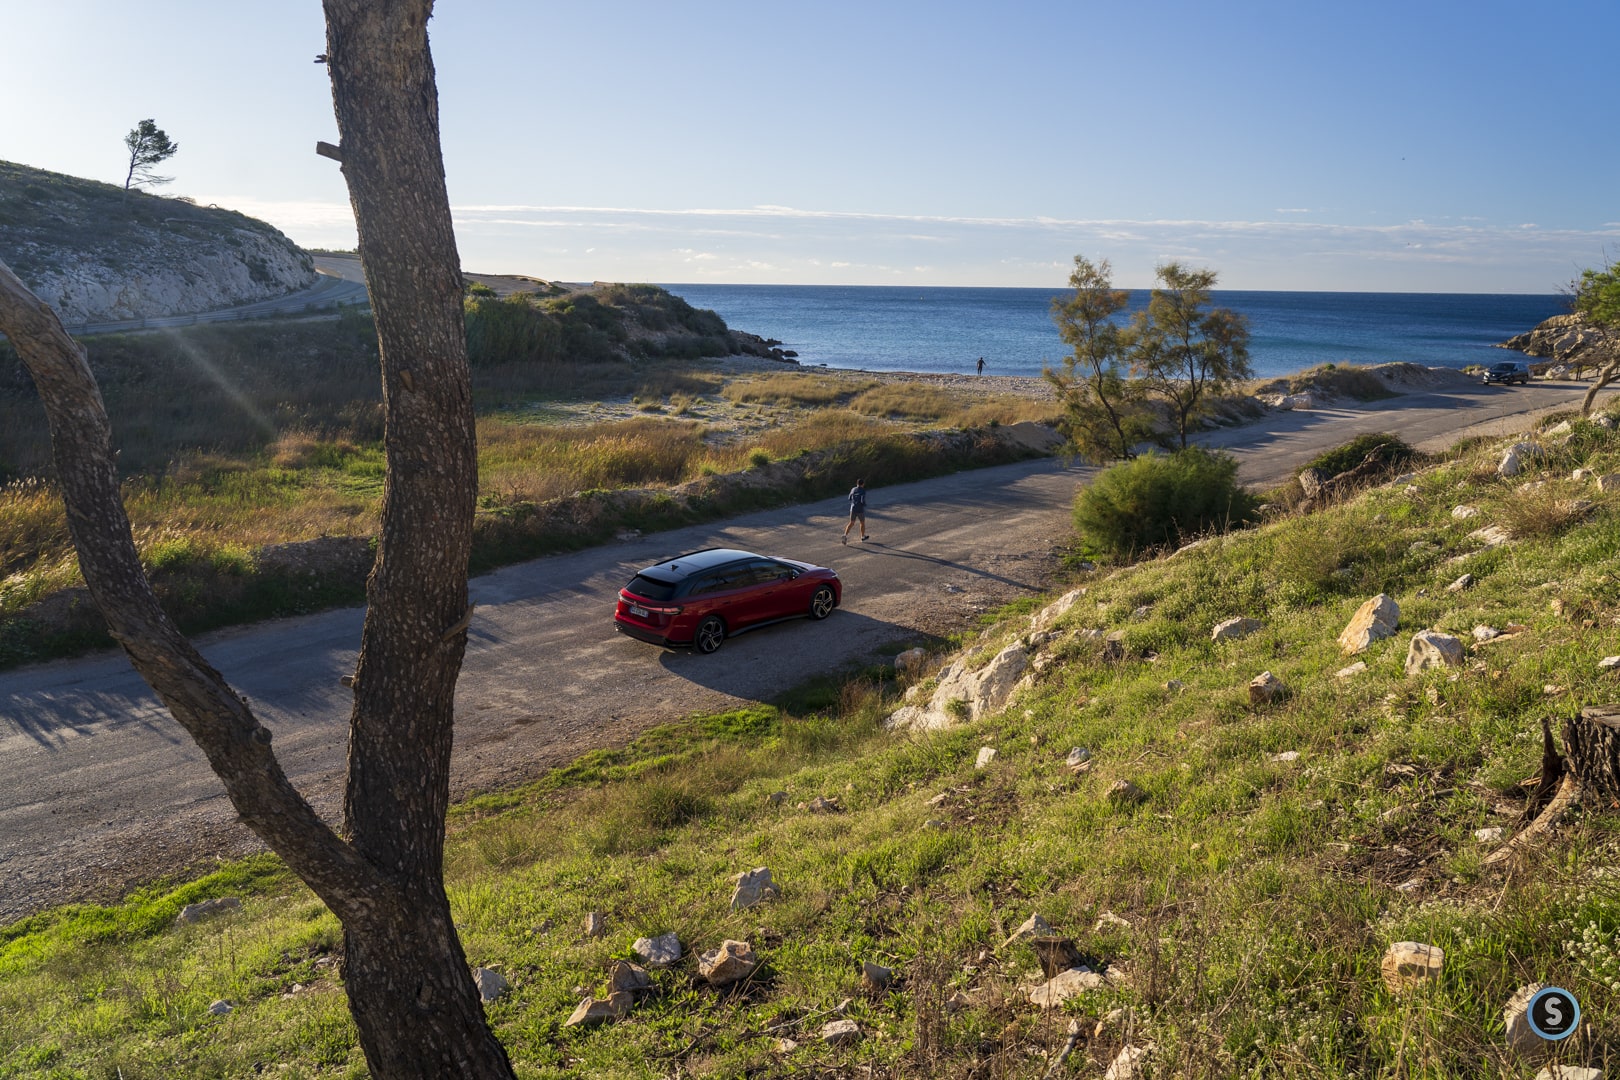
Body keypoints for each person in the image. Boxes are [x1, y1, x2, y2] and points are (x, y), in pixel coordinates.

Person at [841, 478, 869, 544]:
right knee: (862, 522)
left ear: (857, 483)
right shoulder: (863, 490)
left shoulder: (853, 489)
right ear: (863, 484)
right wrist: (864, 504)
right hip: (860, 509)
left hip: (852, 509)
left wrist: (854, 502)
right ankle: (862, 536)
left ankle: (845, 535)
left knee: (851, 523)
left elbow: (849, 498)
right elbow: (862, 500)